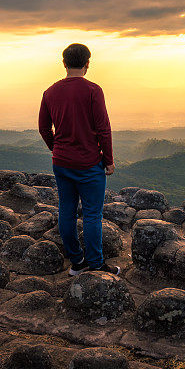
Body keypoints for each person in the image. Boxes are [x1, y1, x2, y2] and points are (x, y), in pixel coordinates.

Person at [38, 43, 119, 276]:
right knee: (92, 214)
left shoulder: (50, 92)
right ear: (87, 63)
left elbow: (44, 128)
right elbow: (103, 128)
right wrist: (109, 159)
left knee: (66, 210)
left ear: (64, 63)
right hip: (88, 163)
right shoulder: (93, 90)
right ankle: (95, 264)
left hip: (61, 163)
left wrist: (57, 149)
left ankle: (77, 262)